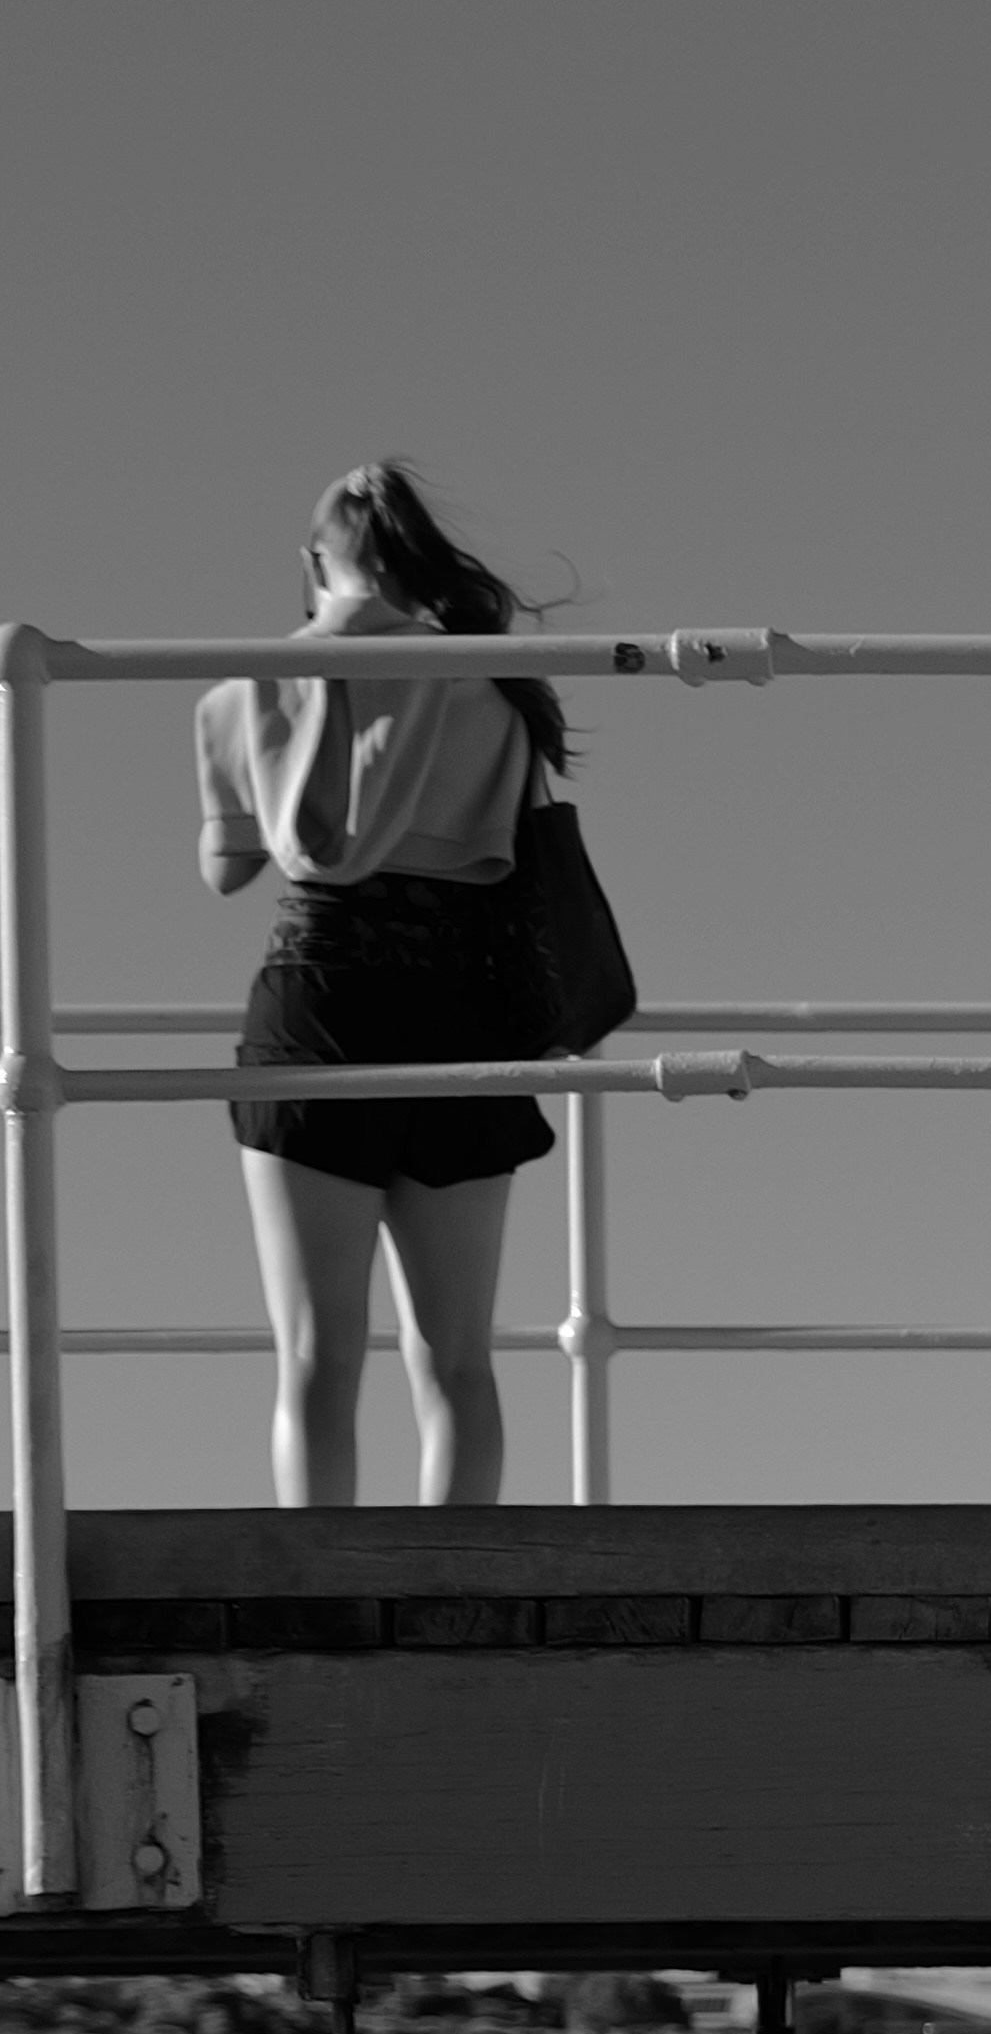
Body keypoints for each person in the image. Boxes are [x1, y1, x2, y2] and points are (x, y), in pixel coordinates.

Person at [191, 469, 572, 1512]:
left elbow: (227, 870)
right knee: (457, 1361)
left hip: (318, 997)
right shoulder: (495, 686)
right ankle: (457, 1593)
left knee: (318, 1356)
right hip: (461, 1008)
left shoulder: (243, 685)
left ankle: (317, 1592)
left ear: (314, 562)